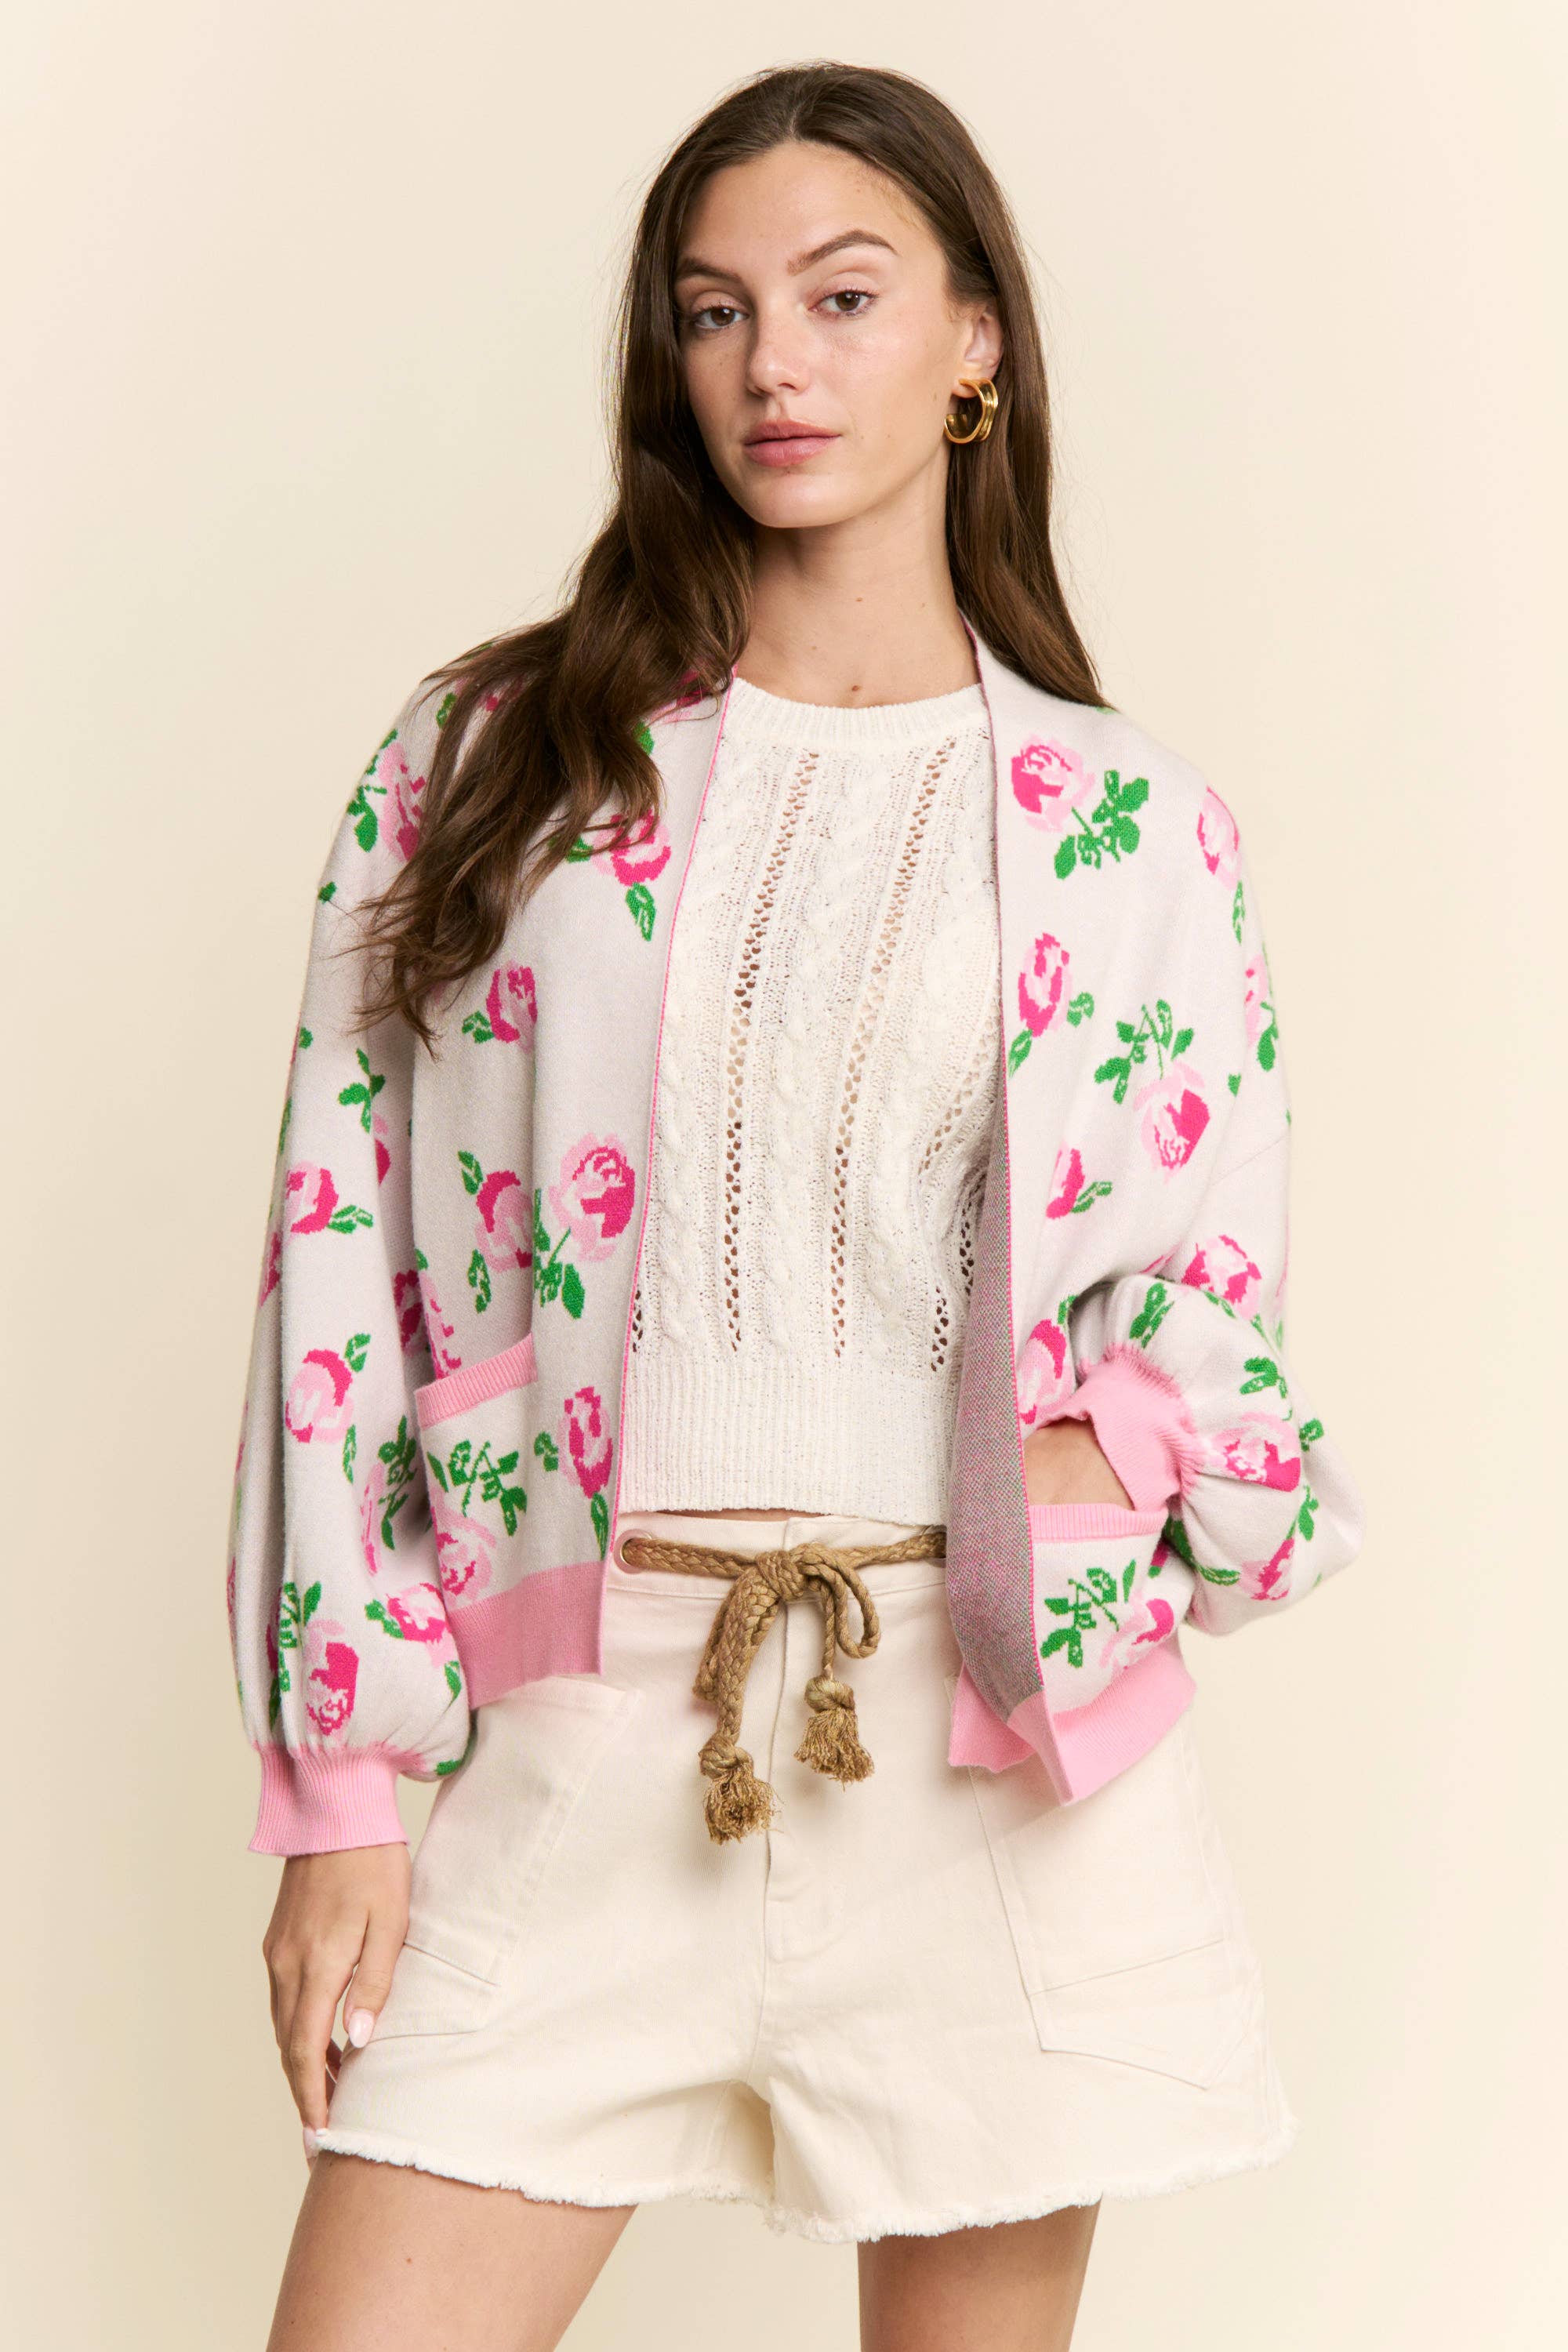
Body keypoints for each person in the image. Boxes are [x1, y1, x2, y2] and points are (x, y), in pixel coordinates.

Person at [229, 60, 1365, 2352]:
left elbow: (1213, 1308)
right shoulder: (498, 762)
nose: (775, 364)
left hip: (991, 1769)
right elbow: (334, 1245)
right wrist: (341, 1787)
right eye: (716, 308)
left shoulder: (1136, 825)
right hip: (592, 1728)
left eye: (845, 298)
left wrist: (1120, 1453)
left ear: (975, 344)